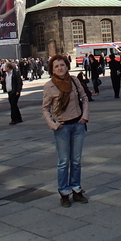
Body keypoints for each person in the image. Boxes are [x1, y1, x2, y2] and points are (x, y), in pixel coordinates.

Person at [42, 55, 89, 208]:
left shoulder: (74, 81)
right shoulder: (49, 86)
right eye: (56, 66)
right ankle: (64, 192)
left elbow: (84, 97)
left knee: (76, 161)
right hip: (62, 128)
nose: (60, 68)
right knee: (63, 162)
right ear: (52, 70)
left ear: (67, 66)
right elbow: (45, 108)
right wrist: (52, 124)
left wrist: (84, 117)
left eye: (62, 65)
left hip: (77, 125)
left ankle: (76, 189)